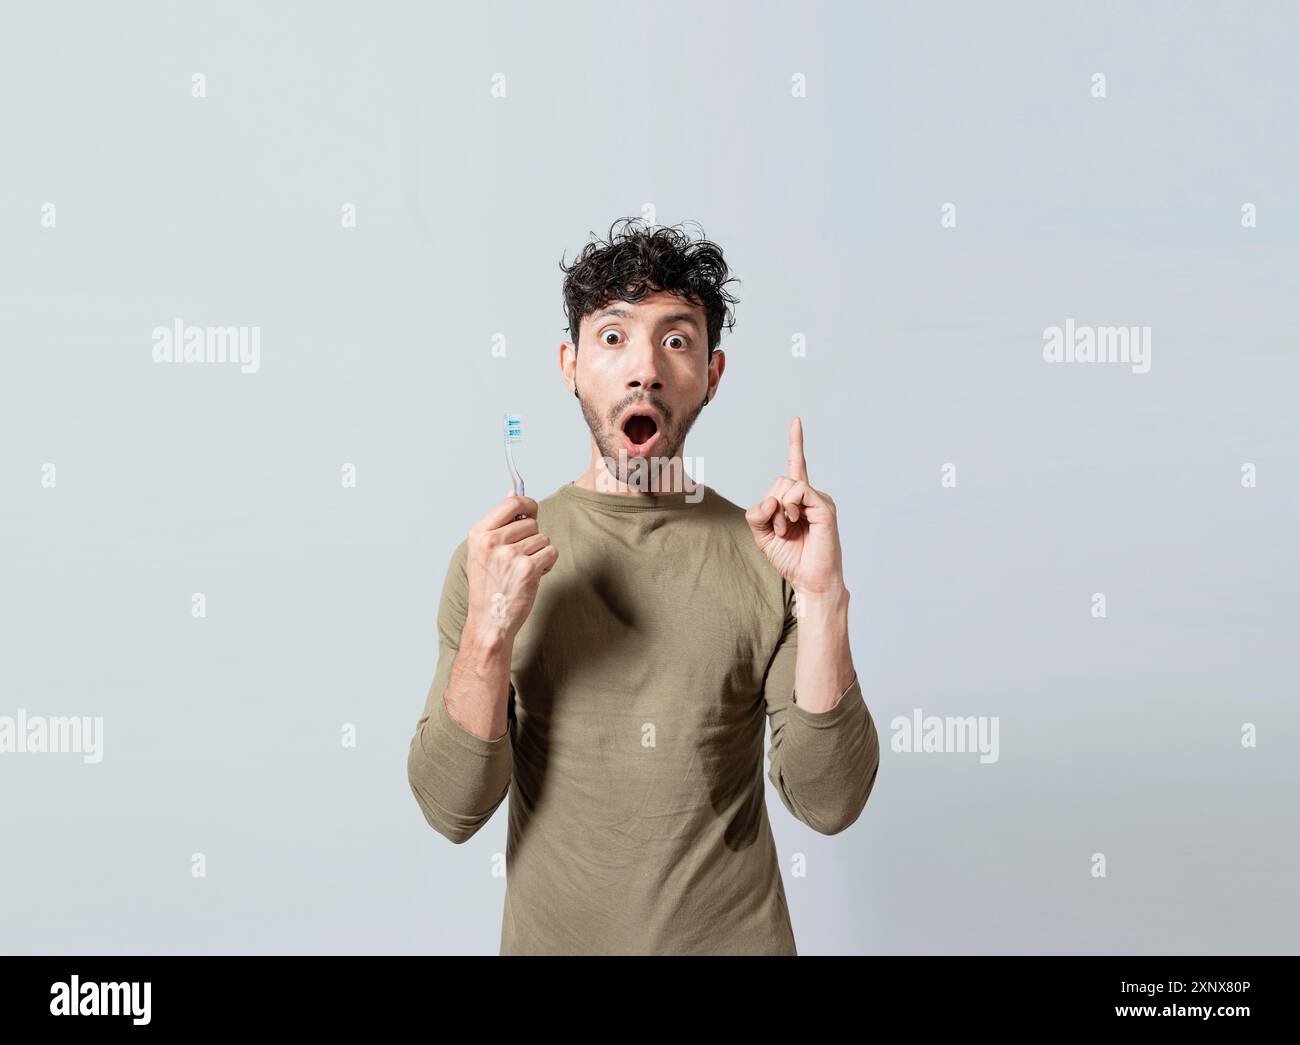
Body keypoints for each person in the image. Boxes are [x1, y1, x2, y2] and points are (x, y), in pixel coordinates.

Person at [407, 218, 880, 955]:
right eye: (614, 336)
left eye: (677, 339)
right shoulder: (498, 560)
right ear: (569, 364)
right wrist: (490, 628)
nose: (645, 369)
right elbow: (451, 807)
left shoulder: (772, 556)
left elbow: (830, 800)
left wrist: (823, 600)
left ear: (712, 376)